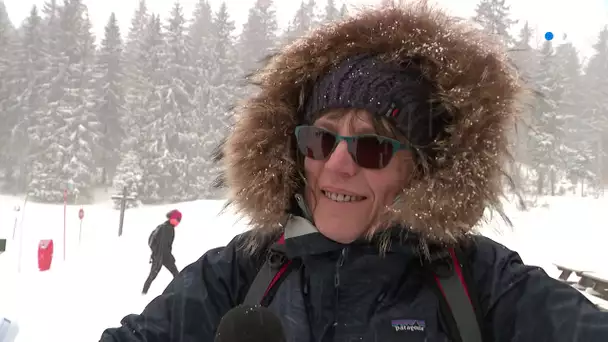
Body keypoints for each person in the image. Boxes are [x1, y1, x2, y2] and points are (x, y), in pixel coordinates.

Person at [101, 3, 608, 342]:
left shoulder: (481, 284)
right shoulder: (239, 274)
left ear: (420, 168)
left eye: (372, 147)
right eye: (320, 139)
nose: (337, 165)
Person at [141, 209, 181, 295]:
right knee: (152, 275)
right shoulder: (164, 228)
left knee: (176, 274)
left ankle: (179, 291)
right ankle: (143, 293)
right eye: (177, 219)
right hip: (159, 257)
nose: (178, 222)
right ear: (171, 218)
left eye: (179, 220)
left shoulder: (170, 228)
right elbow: (160, 245)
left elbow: (167, 246)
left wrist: (170, 256)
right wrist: (157, 254)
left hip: (164, 256)